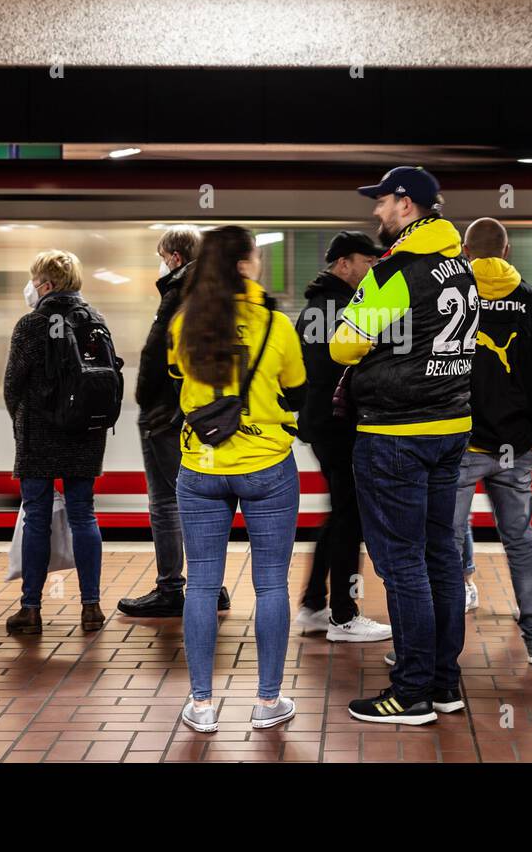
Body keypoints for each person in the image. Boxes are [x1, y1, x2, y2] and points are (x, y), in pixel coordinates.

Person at [330, 166, 477, 725]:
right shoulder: (460, 270)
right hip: (450, 429)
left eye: (382, 203)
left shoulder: (396, 271)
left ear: (407, 206)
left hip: (395, 436)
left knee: (402, 563)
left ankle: (410, 691)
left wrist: (361, 332)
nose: (376, 213)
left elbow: (346, 345)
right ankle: (444, 682)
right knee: (441, 556)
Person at [168, 226, 307, 733]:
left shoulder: (184, 321)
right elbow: (297, 388)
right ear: (247, 263)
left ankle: (202, 705)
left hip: (201, 466)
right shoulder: (276, 323)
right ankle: (267, 702)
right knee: (271, 584)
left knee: (202, 584)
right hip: (267, 466)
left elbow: (174, 379)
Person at [451, 217, 532, 664]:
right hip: (517, 448)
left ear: (465, 251)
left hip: (462, 445)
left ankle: (438, 648)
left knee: (443, 540)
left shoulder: (452, 299)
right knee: (520, 540)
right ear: (508, 251)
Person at [117, 225, 232, 619]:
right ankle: (213, 586)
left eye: (162, 256)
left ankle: (171, 588)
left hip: (166, 414)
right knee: (199, 501)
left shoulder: (176, 291)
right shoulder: (216, 292)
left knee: (166, 502)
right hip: (198, 412)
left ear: (175, 258)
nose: (162, 263)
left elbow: (154, 355)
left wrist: (147, 405)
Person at [3, 250, 116, 635]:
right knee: (84, 514)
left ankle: (31, 609)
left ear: (46, 285)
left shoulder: (30, 325)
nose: (31, 287)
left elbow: (12, 386)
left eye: (34, 280)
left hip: (39, 434)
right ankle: (91, 606)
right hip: (86, 433)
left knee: (37, 517)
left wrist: (23, 422)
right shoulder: (95, 320)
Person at [294, 231, 393, 643]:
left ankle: (316, 603)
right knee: (349, 515)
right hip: (343, 426)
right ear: (342, 264)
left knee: (341, 512)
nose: (372, 269)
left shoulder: (313, 308)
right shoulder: (347, 309)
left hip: (322, 425)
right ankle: (342, 614)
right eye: (366, 262)